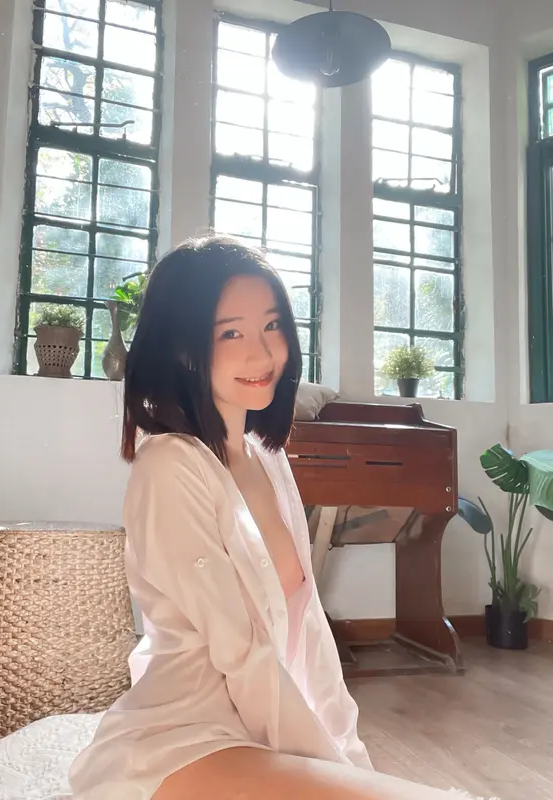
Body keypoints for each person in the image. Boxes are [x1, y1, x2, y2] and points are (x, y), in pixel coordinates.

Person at [68, 236, 482, 800]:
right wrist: (330, 773)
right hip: (183, 741)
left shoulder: (267, 458)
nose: (262, 353)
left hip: (261, 740)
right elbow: (242, 654)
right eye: (230, 333)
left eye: (272, 326)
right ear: (182, 347)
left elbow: (310, 638)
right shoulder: (169, 466)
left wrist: (350, 764)